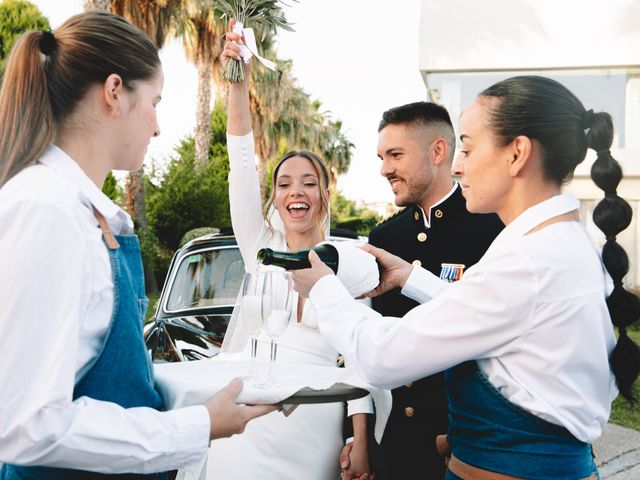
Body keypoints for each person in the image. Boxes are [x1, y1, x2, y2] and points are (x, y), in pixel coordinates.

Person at [292, 75, 640, 479]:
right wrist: (411, 278)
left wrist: (322, 288)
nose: (458, 165)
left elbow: (381, 357)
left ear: (517, 154)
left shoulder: (526, 261)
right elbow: (498, 315)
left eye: (469, 148)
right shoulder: (565, 243)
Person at [0, 12, 274, 479]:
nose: (157, 127)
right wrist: (197, 425)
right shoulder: (47, 209)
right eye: (155, 102)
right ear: (113, 92)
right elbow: (27, 424)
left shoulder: (79, 211)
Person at [204, 20, 374, 480]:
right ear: (274, 196)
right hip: (249, 418)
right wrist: (236, 77)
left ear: (323, 194)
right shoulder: (259, 248)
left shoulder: (350, 259)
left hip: (316, 426)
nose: (295, 192)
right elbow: (240, 160)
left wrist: (360, 438)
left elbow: (359, 355)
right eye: (283, 184)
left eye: (308, 183)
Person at [344, 102, 502, 480]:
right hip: (397, 444)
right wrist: (359, 439)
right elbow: (368, 341)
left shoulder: (491, 228)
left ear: (437, 151)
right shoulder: (385, 237)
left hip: (465, 444)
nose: (384, 169)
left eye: (395, 155)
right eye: (382, 157)